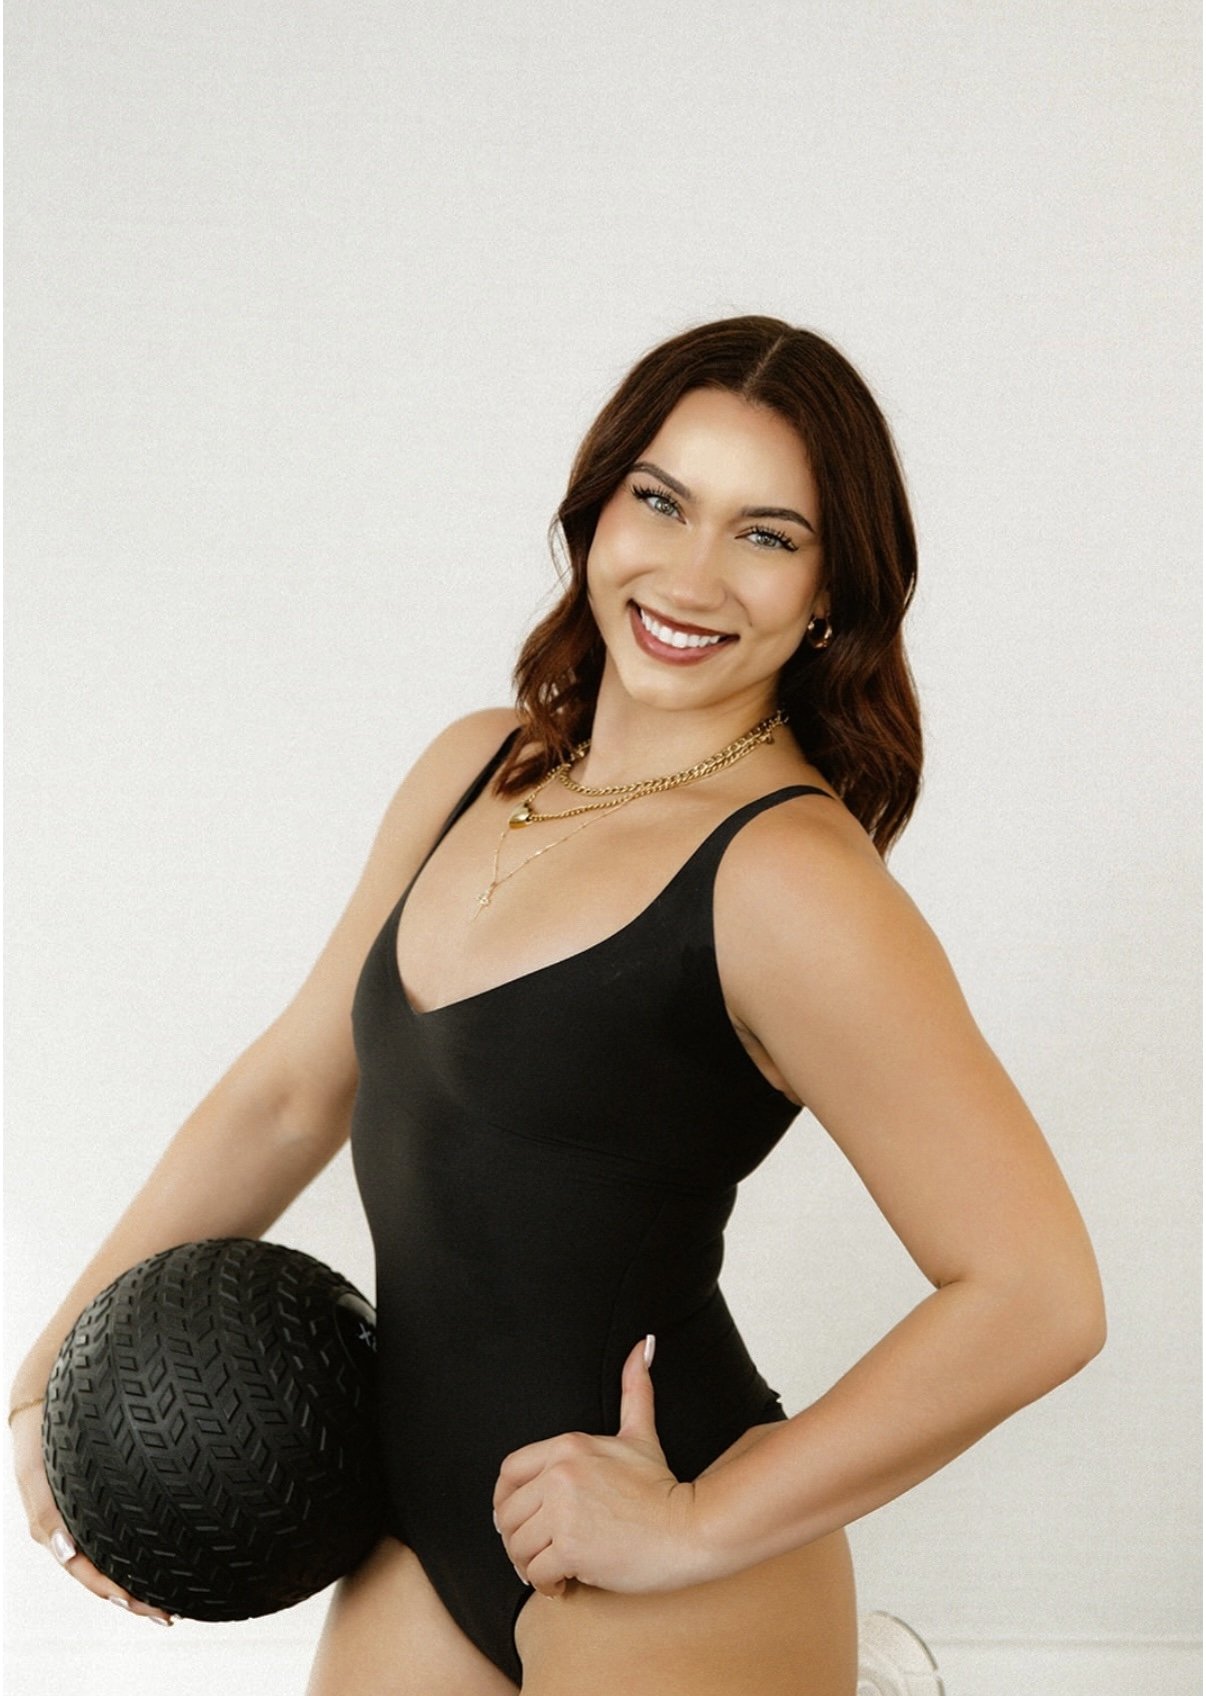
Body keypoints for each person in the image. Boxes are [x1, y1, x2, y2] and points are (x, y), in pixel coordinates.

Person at [10, 315, 1107, 1696]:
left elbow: (1036, 1292)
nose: (690, 574)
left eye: (765, 535)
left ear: (830, 591)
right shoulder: (474, 772)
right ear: (597, 511)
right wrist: (53, 1381)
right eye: (660, 502)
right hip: (414, 1524)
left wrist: (700, 1520)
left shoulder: (785, 878)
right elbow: (289, 1090)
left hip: (655, 1540)